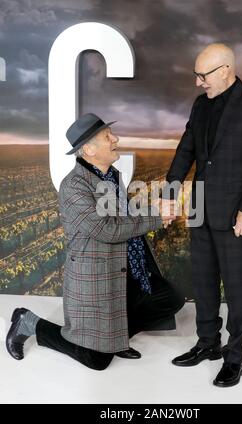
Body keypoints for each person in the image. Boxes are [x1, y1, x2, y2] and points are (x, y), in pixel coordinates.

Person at [6, 113, 184, 370]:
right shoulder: (74, 186)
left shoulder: (111, 176)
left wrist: (149, 207)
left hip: (125, 270)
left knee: (170, 298)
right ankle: (28, 322)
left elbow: (120, 216)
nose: (116, 138)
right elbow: (106, 229)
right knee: (97, 361)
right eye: (107, 137)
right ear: (88, 149)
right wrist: (155, 217)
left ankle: (114, 337)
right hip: (97, 277)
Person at [162, 43, 242, 387]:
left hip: (234, 214)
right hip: (200, 210)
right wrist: (169, 193)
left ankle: (235, 357)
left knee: (236, 287)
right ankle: (208, 343)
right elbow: (186, 151)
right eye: (197, 75)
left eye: (203, 75)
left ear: (225, 69)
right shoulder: (200, 106)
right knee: (204, 280)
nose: (198, 83)